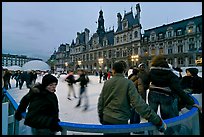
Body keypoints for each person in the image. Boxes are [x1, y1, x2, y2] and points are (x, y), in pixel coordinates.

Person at [98, 61, 167, 135]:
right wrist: (157, 120)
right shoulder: (128, 83)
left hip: (107, 119)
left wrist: (102, 117)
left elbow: (101, 102)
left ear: (113, 70)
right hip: (121, 121)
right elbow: (139, 104)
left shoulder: (107, 83)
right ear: (124, 71)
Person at [146, 55, 202, 135]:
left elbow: (144, 83)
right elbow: (178, 90)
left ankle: (151, 132)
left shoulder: (151, 72)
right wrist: (191, 102)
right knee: (166, 117)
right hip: (165, 96)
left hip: (152, 95)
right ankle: (167, 132)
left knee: (152, 115)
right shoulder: (170, 74)